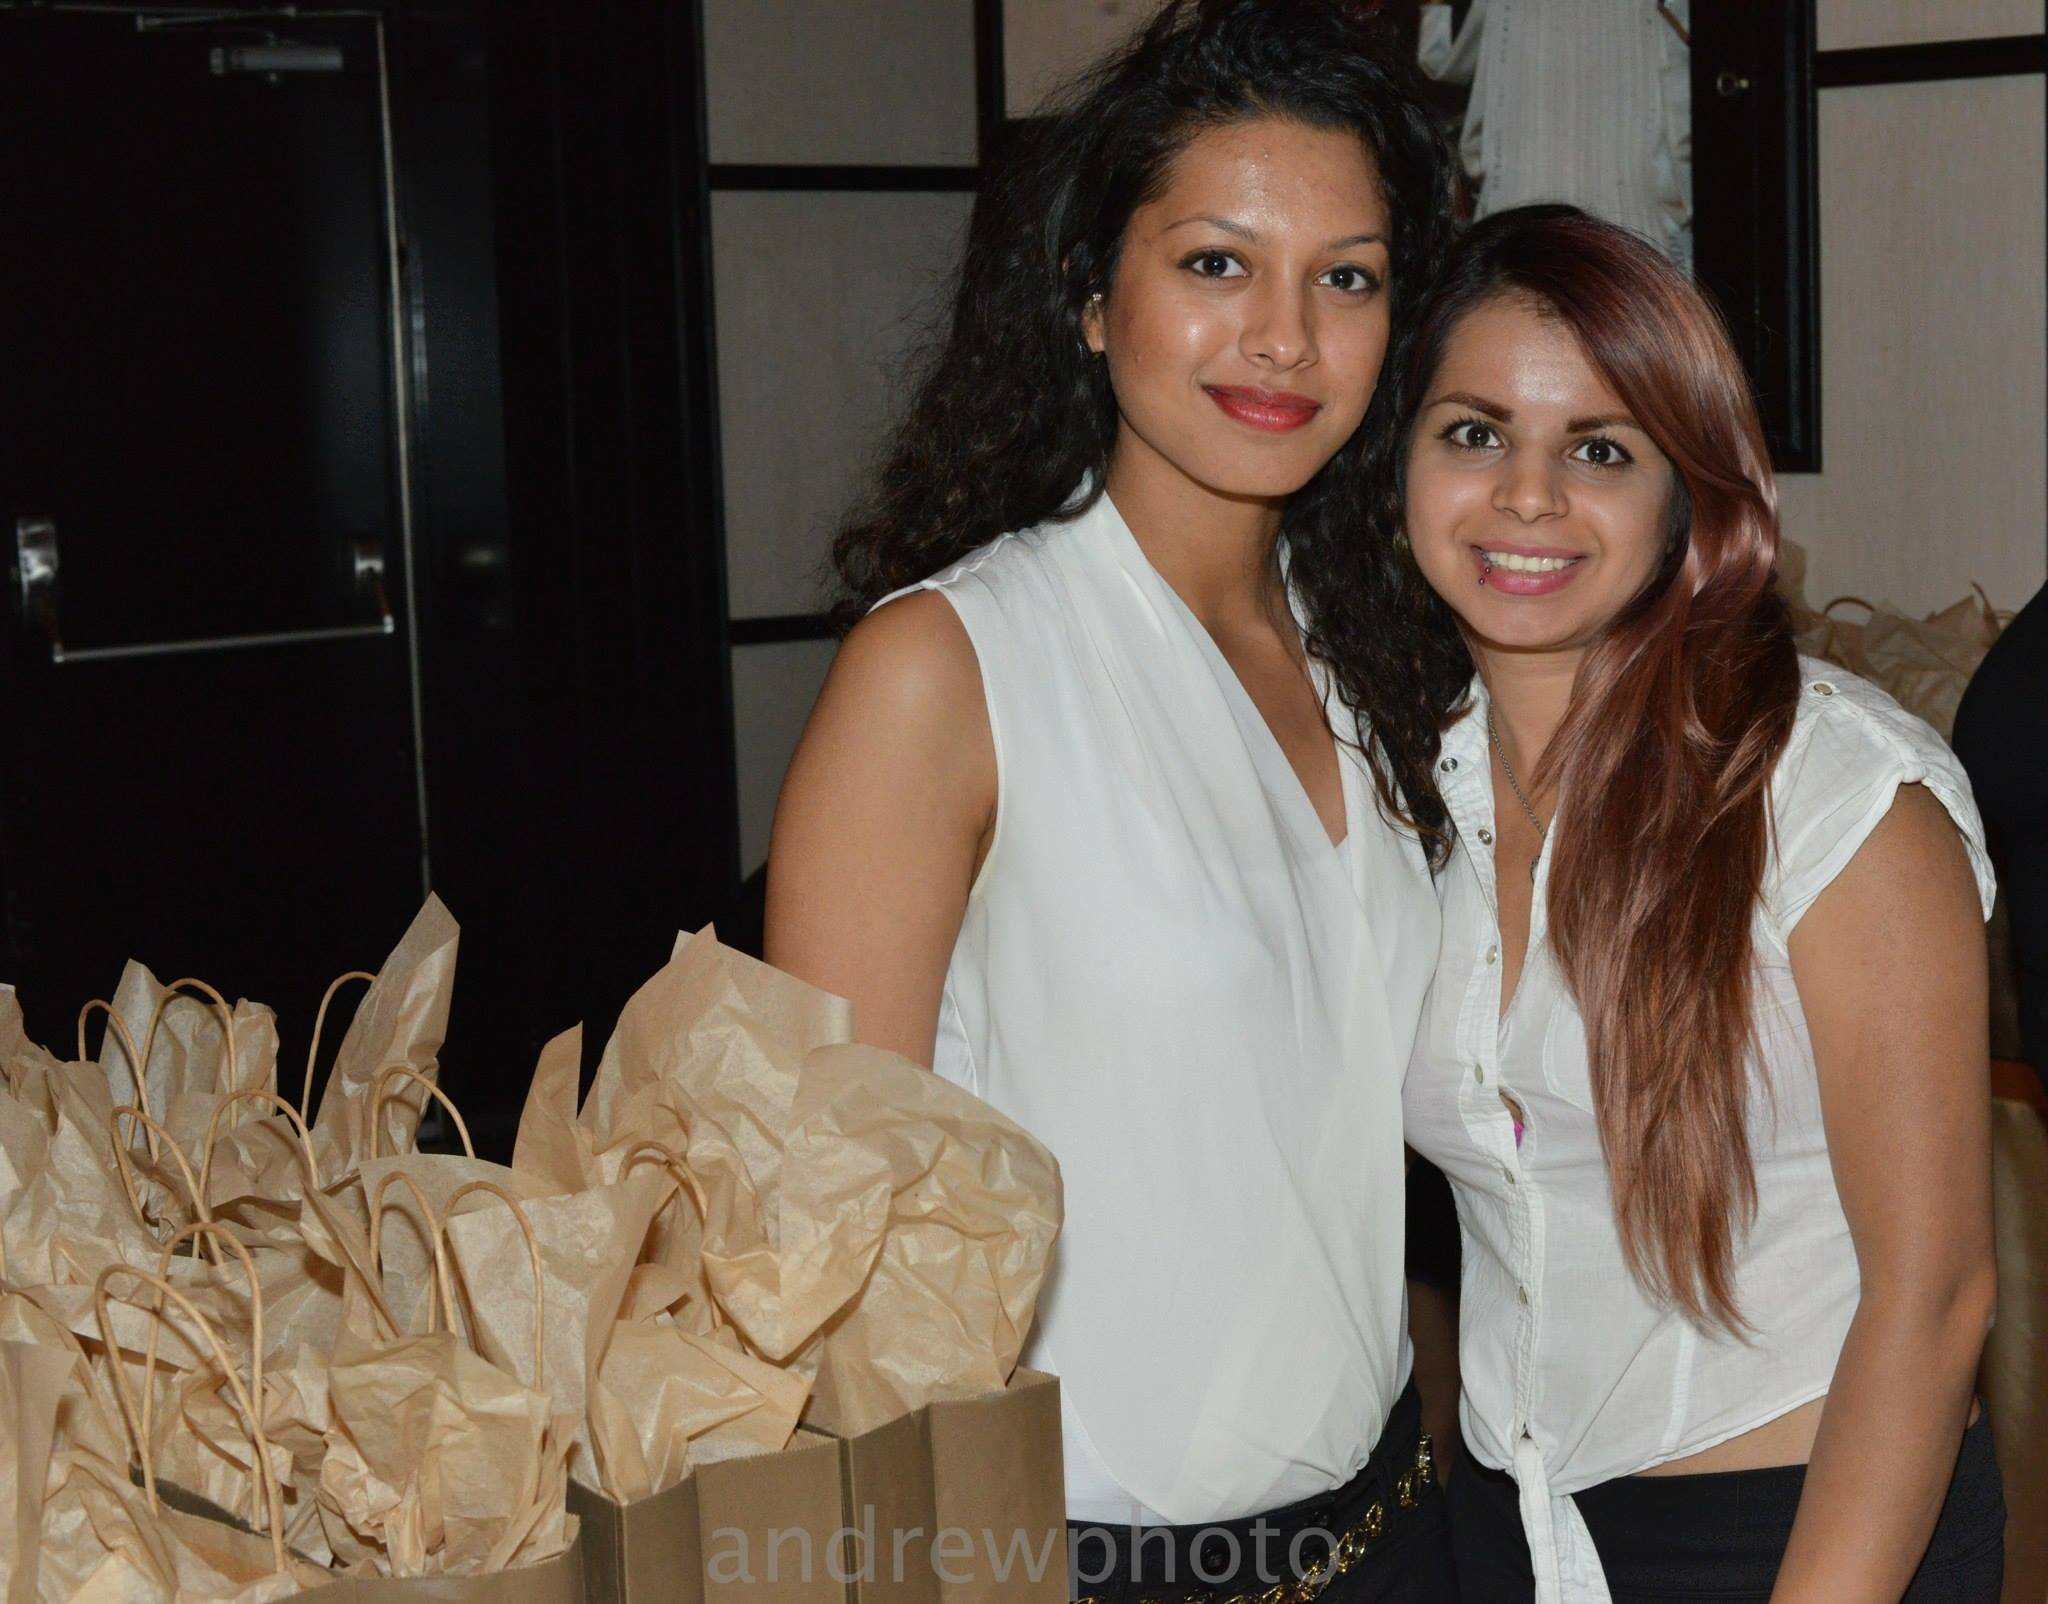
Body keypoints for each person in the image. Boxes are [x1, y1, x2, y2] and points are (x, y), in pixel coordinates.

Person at [764, 3, 1457, 1597]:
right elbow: (814, 1232)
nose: (1284, 337)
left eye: (1346, 278)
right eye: (1218, 263)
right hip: (1088, 1553)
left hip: (1387, 1521)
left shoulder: (1384, 652)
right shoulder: (949, 669)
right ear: (1089, 296)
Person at [1383, 207, 2005, 1602]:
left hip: (1804, 1533)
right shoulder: (1398, 787)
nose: (1526, 497)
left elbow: (1936, 1296)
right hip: (1509, 1525)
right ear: (1400, 464)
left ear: (1687, 495)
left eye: (1599, 450)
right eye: (1474, 433)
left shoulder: (1834, 793)